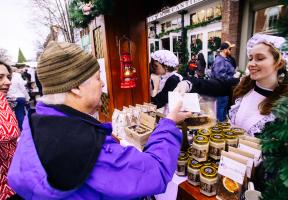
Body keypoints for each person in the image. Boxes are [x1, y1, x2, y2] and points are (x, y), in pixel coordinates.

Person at [8, 41, 191, 199]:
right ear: (76, 88)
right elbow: (155, 172)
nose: (102, 84)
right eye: (97, 78)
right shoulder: (86, 147)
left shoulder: (34, 122)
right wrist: (169, 123)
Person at [175, 33, 288, 136]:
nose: (251, 64)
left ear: (279, 63)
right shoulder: (244, 86)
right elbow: (216, 84)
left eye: (260, 58)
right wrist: (188, 83)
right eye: (251, 58)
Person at [0, 61, 20, 199]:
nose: (8, 82)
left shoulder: (3, 102)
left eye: (8, 77)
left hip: (11, 183)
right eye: (0, 77)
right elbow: (9, 133)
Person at [211, 41, 236, 122]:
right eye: (230, 49)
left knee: (223, 109)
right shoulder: (220, 61)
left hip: (224, 90)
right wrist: (234, 78)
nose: (231, 51)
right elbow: (220, 78)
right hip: (221, 90)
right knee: (221, 111)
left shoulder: (223, 59)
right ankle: (220, 130)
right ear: (225, 50)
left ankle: (221, 127)